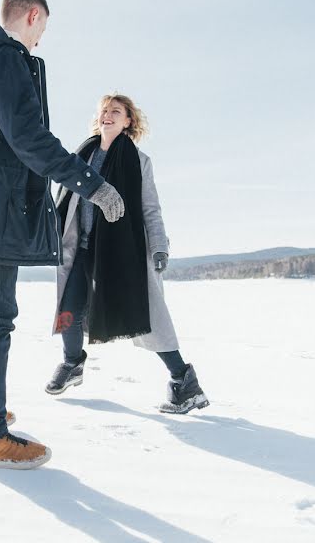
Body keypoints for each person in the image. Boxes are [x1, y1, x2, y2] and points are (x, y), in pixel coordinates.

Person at [0, 0, 125, 469]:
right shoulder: (5, 58)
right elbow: (28, 138)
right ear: (33, 16)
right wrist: (91, 184)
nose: (40, 41)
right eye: (43, 29)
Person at [45, 93, 209, 414]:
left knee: (145, 314)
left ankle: (183, 381)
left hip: (123, 251)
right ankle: (72, 362)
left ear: (128, 120)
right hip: (80, 247)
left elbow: (150, 208)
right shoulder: (82, 155)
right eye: (104, 111)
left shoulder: (139, 161)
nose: (107, 115)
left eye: (115, 111)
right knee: (69, 307)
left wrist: (160, 246)